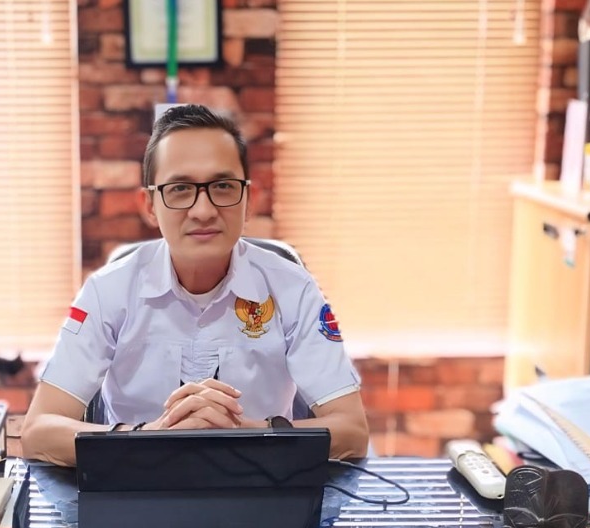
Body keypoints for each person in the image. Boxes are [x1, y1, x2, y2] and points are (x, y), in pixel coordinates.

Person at [21, 104, 369, 466]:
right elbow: (39, 431)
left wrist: (248, 434)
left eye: (222, 186)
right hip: (137, 482)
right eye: (180, 189)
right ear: (149, 205)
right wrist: (151, 436)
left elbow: (352, 431)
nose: (203, 211)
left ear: (249, 200)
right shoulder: (108, 291)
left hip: (265, 482)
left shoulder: (292, 289)